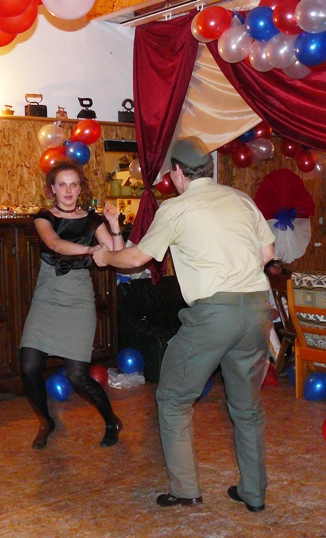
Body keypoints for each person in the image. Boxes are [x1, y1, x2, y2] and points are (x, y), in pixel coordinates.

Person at [93, 136, 275, 511]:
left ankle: (185, 489)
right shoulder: (240, 199)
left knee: (173, 399)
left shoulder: (176, 208)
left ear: (177, 171)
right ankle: (254, 494)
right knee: (247, 408)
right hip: (257, 309)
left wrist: (105, 258)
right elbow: (267, 253)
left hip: (214, 314)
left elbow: (136, 258)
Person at [20, 161, 125, 451]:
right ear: (52, 189)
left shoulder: (92, 220)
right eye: (62, 184)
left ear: (81, 189)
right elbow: (55, 244)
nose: (68, 190)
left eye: (74, 184)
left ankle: (112, 421)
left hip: (78, 299)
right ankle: (46, 421)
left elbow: (117, 256)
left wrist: (114, 225)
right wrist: (91, 249)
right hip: (47, 296)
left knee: (77, 376)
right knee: (29, 367)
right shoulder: (44, 218)